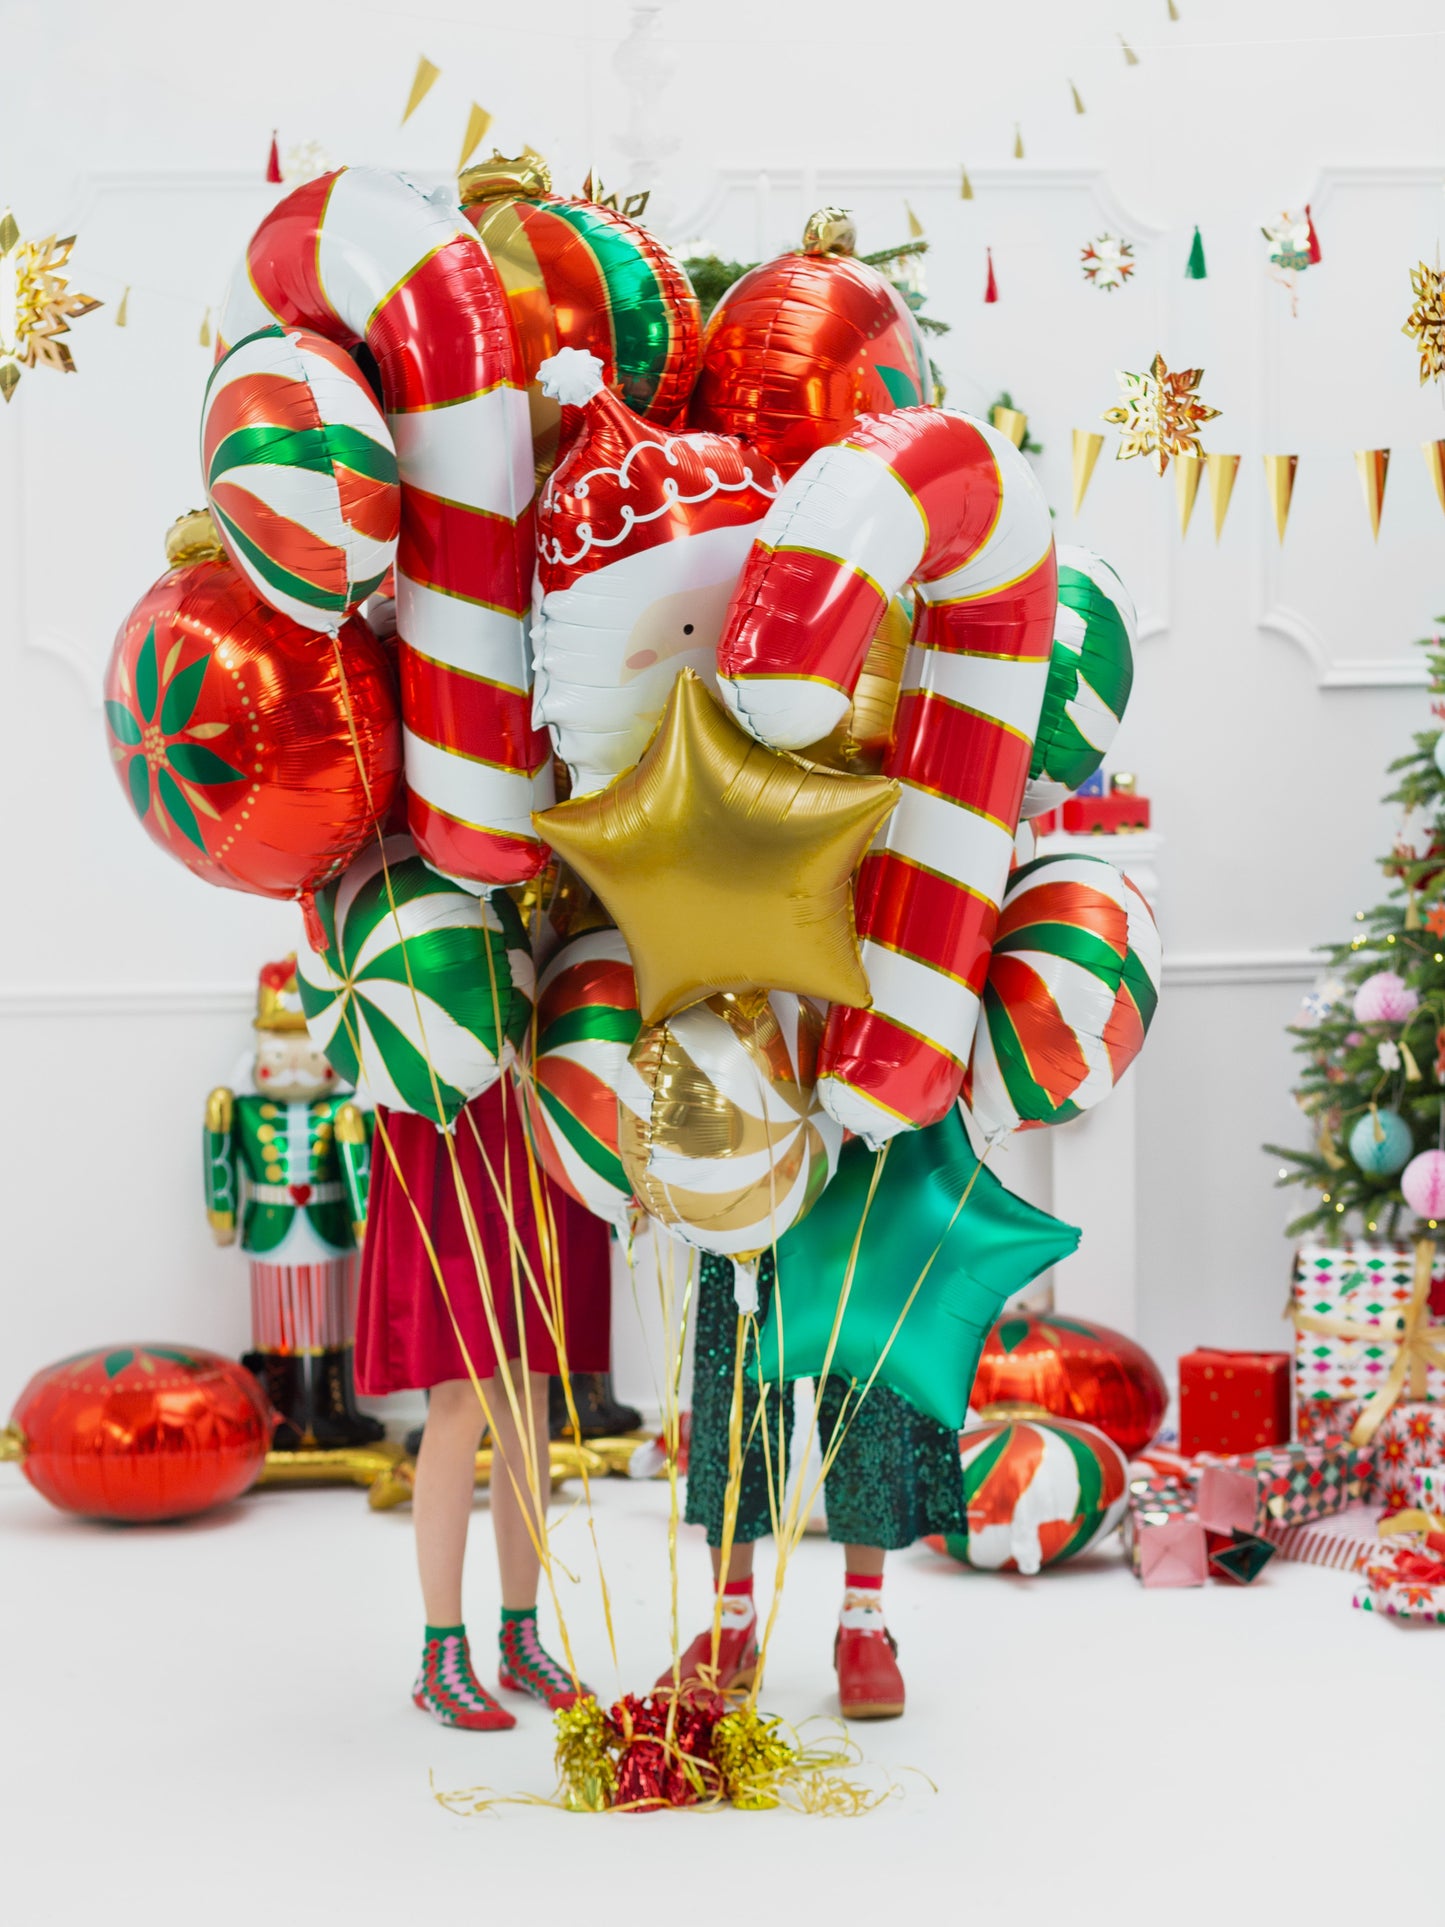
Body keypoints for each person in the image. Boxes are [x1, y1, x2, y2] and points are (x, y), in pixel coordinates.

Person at [357, 1077, 610, 1731]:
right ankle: (440, 1649)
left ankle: (519, 1637)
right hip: (444, 1115)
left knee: (530, 1389)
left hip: (535, 1102)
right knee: (462, 1390)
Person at [661, 1251, 967, 1719]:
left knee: (868, 1367)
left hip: (856, 1180)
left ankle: (863, 1619)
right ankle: (732, 1621)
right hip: (743, 1187)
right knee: (736, 1361)